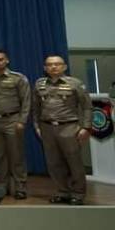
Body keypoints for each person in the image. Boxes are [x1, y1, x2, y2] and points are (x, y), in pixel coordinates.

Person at [33, 55, 92, 206]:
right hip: (47, 128)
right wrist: (37, 126)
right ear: (45, 68)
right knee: (54, 162)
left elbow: (87, 106)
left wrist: (86, 127)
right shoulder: (40, 84)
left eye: (57, 64)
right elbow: (36, 107)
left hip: (69, 127)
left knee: (74, 162)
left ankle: (78, 193)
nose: (53, 67)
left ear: (64, 67)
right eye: (49, 65)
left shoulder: (75, 83)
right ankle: (62, 191)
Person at [0, 49, 30, 199]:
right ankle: (2, 185)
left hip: (12, 120)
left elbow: (26, 101)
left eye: (1, 59)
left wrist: (22, 120)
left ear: (7, 60)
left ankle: (20, 186)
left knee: (16, 155)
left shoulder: (18, 78)